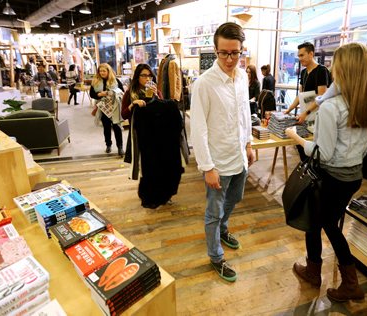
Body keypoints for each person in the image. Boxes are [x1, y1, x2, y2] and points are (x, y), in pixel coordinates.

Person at [284, 42, 367, 302]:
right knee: (323, 221)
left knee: (322, 224)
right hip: (353, 176)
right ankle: (315, 270)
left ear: (341, 69)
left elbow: (322, 153)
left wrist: (297, 138)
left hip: (331, 176)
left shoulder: (332, 108)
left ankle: (345, 282)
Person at [190, 22, 254, 282]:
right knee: (213, 212)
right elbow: (198, 129)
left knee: (233, 201)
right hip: (217, 161)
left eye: (235, 53)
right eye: (224, 53)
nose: (229, 59)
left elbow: (244, 113)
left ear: (241, 51)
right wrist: (207, 167)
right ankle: (216, 256)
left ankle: (223, 230)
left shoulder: (243, 77)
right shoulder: (204, 83)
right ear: (215, 51)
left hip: (239, 155)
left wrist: (248, 143)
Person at [121, 64, 184, 209]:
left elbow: (163, 107)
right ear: (137, 76)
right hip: (140, 133)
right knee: (146, 165)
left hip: (157, 133)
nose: (147, 78)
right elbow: (123, 114)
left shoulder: (155, 90)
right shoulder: (131, 92)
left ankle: (162, 193)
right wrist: (133, 105)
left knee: (159, 163)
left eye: (149, 75)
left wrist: (156, 95)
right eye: (144, 75)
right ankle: (149, 193)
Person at [284, 42, 331, 161]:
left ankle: (312, 174)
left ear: (311, 54)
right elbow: (301, 96)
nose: (300, 59)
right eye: (298, 56)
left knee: (315, 148)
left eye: (302, 55)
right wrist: (289, 109)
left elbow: (322, 96)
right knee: (302, 146)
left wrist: (306, 113)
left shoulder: (321, 71)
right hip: (306, 115)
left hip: (318, 116)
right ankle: (306, 170)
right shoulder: (304, 72)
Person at [91, 63, 124, 155]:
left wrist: (113, 92)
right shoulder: (95, 81)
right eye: (100, 71)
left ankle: (120, 147)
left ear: (108, 71)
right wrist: (99, 94)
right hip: (102, 107)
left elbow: (122, 91)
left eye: (104, 71)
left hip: (114, 107)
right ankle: (108, 145)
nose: (102, 73)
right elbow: (91, 94)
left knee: (117, 127)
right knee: (106, 127)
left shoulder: (115, 80)